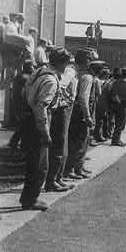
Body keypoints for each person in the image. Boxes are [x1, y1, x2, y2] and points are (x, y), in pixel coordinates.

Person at [19, 47, 72, 211]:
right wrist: (45, 132)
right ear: (61, 63)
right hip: (39, 120)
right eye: (66, 63)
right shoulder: (50, 80)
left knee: (33, 163)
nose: (67, 66)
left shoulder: (40, 71)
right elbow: (42, 107)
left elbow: (25, 90)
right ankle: (31, 199)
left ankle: (27, 197)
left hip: (28, 117)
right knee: (40, 165)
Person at [45, 49, 78, 192]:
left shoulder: (63, 71)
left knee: (62, 146)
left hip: (63, 108)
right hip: (60, 109)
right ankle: (52, 180)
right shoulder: (63, 73)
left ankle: (57, 178)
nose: (67, 66)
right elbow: (61, 88)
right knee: (59, 145)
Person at [63, 48, 97, 180]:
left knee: (83, 141)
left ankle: (78, 167)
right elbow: (83, 98)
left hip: (77, 110)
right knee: (78, 141)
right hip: (80, 112)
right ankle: (71, 168)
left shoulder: (80, 74)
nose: (90, 62)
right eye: (88, 59)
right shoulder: (82, 76)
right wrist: (87, 116)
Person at [8, 59, 35, 149]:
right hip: (23, 105)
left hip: (16, 103)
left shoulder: (18, 77)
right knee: (23, 125)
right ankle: (16, 142)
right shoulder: (27, 78)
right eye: (32, 66)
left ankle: (16, 142)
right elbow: (24, 93)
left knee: (21, 125)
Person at [108, 68, 126, 147]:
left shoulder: (115, 82)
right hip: (123, 104)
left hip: (115, 103)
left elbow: (111, 91)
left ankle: (115, 138)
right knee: (121, 123)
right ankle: (116, 140)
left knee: (116, 122)